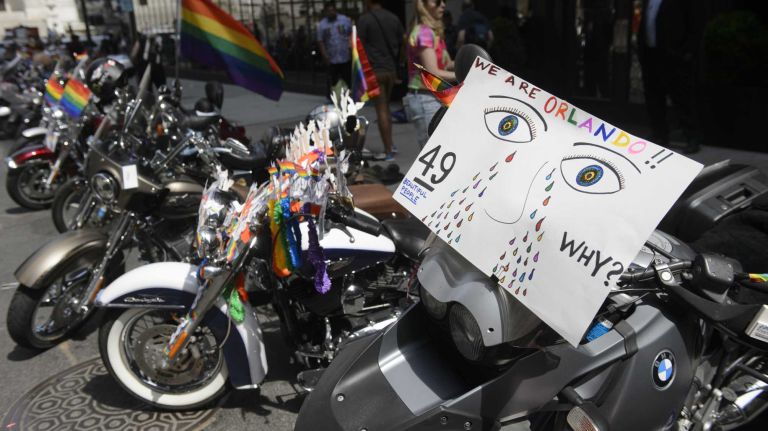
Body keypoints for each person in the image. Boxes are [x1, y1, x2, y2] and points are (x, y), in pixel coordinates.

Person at [638, 0, 699, 154]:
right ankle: (660, 134)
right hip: (651, 54)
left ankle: (691, 137)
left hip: (674, 56)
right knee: (654, 97)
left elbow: (694, 23)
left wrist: (687, 51)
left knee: (681, 98)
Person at [358, 0, 405, 161]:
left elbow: (358, 47)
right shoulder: (393, 18)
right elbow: (403, 41)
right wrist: (399, 63)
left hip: (374, 71)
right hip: (390, 70)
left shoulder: (365, 20)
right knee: (386, 108)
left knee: (382, 110)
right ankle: (390, 144)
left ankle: (388, 151)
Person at [405, 0, 455, 148]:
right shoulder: (423, 33)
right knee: (433, 153)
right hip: (425, 98)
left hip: (436, 97)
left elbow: (447, 65)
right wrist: (462, 75)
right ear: (423, 4)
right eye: (437, 1)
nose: (443, 5)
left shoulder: (434, 32)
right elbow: (432, 72)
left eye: (444, 1)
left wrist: (472, 63)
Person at [317, 2, 353, 92]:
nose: (331, 12)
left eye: (333, 10)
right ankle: (335, 97)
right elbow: (320, 41)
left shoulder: (345, 20)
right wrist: (325, 55)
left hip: (345, 56)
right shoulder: (322, 25)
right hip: (331, 57)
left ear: (336, 10)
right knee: (333, 80)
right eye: (329, 11)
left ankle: (348, 95)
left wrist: (352, 49)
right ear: (325, 12)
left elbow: (351, 35)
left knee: (347, 78)